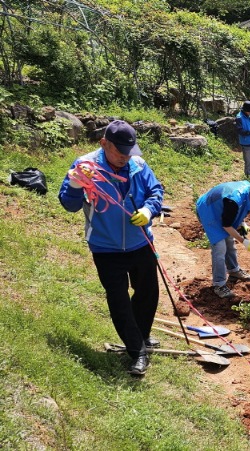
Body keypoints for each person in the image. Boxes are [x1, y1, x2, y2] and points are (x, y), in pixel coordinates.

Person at [58, 120, 164, 376]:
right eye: (119, 153)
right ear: (104, 143)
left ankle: (142, 334)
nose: (125, 158)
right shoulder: (86, 167)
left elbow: (156, 191)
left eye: (129, 152)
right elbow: (69, 205)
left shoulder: (138, 164)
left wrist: (149, 210)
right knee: (119, 300)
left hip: (141, 242)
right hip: (106, 247)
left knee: (147, 292)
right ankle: (137, 352)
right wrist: (75, 184)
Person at [195, 181, 250, 299]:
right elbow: (227, 225)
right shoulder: (234, 200)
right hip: (209, 210)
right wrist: (243, 241)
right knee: (220, 248)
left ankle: (234, 270)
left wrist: (242, 224)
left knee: (230, 242)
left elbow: (241, 210)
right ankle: (219, 285)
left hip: (222, 209)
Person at [235, 100, 250, 178]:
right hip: (246, 143)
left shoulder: (249, 116)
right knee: (249, 162)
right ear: (246, 110)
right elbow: (240, 131)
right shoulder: (239, 118)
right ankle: (248, 177)